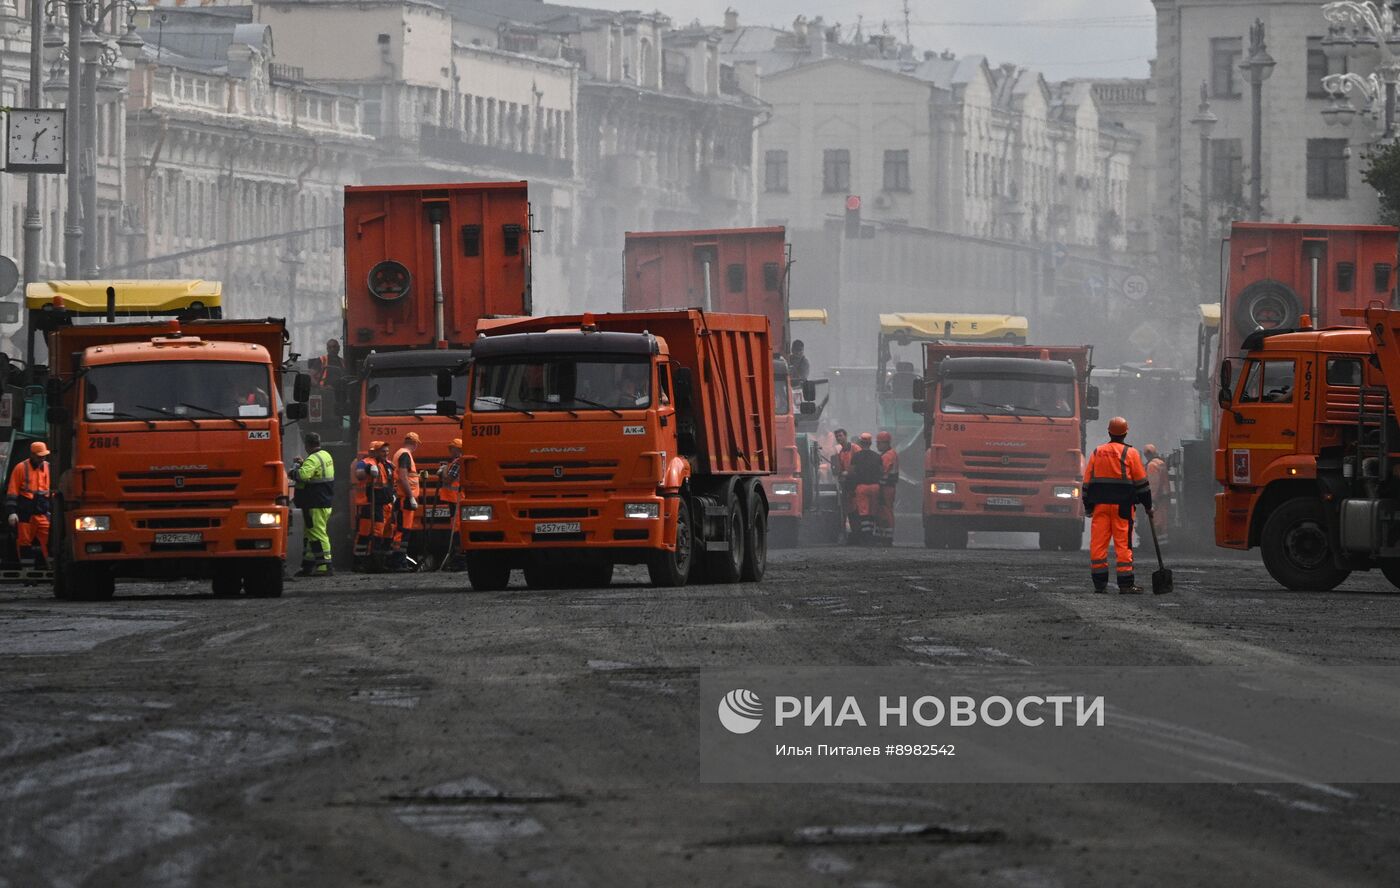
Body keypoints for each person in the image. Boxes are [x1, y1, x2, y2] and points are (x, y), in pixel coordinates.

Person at [1082, 416, 1153, 594]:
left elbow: (1087, 483)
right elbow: (1142, 484)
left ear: (1109, 432)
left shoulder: (1097, 452)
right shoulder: (1131, 453)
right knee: (1123, 545)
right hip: (1123, 507)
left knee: (1098, 545)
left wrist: (1088, 506)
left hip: (1100, 506)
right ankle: (1126, 584)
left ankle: (1099, 584)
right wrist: (1148, 506)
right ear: (1125, 433)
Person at [289, 432, 335, 577]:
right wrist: (304, 464)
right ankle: (308, 566)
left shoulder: (313, 459)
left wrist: (293, 471)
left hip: (315, 503)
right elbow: (316, 472)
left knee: (318, 534)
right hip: (323, 502)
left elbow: (302, 476)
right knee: (311, 535)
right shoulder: (325, 455)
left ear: (307, 445)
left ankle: (325, 566)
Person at [7, 441, 51, 569]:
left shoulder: (49, 467)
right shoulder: (21, 468)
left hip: (42, 512)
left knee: (50, 542)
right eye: (39, 456)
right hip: (25, 513)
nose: (42, 458)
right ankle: (27, 571)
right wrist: (12, 512)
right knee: (24, 542)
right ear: (32, 454)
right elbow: (12, 491)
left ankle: (53, 569)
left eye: (44, 455)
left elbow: (51, 490)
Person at [352, 441, 393, 572]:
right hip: (370, 503)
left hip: (384, 504)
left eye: (387, 451)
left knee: (384, 533)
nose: (385, 453)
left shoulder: (386, 464)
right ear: (374, 452)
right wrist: (368, 470)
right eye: (383, 451)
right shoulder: (365, 463)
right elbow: (359, 474)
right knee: (368, 533)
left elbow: (390, 481)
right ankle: (363, 563)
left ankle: (379, 562)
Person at [390, 431, 422, 570]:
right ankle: (398, 562)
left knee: (403, 529)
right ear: (414, 443)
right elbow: (403, 477)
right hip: (405, 498)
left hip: (403, 497)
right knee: (403, 530)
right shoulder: (405, 455)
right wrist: (410, 497)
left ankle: (400, 561)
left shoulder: (400, 453)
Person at [848, 432, 883, 545]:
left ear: (861, 443)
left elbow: (851, 473)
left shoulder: (856, 457)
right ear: (870, 443)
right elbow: (881, 472)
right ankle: (871, 534)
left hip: (861, 487)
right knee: (873, 512)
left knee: (863, 512)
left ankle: (865, 536)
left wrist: (851, 488)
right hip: (875, 487)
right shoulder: (877, 456)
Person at [437, 438, 467, 571]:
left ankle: (459, 560)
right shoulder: (458, 462)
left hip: (456, 499)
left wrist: (443, 471)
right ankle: (459, 558)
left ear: (457, 449)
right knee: (456, 528)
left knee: (457, 529)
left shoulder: (458, 462)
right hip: (455, 499)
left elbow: (448, 480)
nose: (450, 450)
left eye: (452, 448)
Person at [830, 429, 860, 537]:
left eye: (840, 435)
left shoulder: (855, 448)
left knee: (857, 508)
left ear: (846, 436)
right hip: (847, 484)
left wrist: (848, 473)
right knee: (849, 509)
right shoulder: (841, 453)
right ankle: (854, 533)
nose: (839, 438)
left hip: (856, 483)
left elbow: (860, 464)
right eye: (837, 436)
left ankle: (858, 533)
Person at [875, 430, 899, 547]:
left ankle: (887, 537)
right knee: (883, 511)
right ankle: (883, 535)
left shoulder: (888, 455)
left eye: (879, 443)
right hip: (887, 486)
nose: (877, 445)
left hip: (886, 487)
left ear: (885, 443)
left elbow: (882, 470)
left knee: (886, 511)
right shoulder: (891, 453)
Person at [1143, 443, 1170, 543]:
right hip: (1164, 495)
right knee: (1164, 520)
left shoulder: (1151, 465)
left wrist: (1152, 499)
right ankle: (1164, 542)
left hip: (1158, 497)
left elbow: (1154, 484)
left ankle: (1159, 544)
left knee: (1157, 521)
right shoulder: (1161, 463)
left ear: (1147, 454)